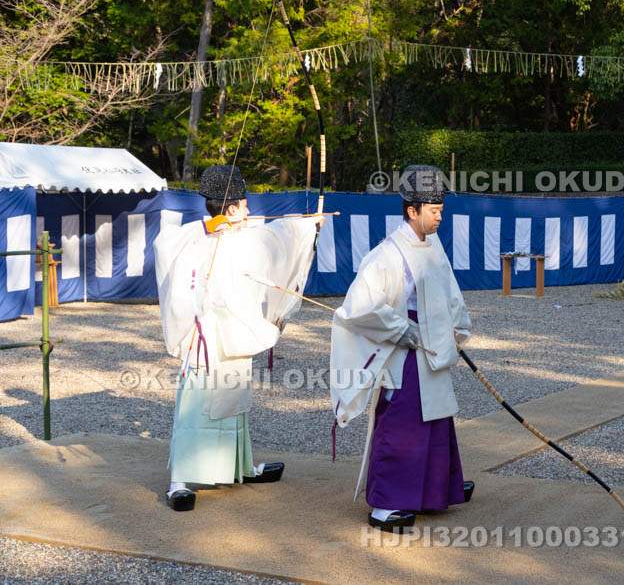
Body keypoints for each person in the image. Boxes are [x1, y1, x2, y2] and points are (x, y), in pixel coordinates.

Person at [155, 164, 322, 511]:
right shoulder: (194, 238)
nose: (248, 212)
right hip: (204, 339)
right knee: (195, 407)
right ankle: (179, 481)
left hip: (233, 331)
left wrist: (308, 227)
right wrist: (207, 227)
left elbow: (280, 236)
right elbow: (165, 247)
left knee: (233, 404)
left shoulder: (245, 239)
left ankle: (239, 467)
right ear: (230, 208)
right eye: (244, 205)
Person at [330, 164, 473, 532]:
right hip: (403, 351)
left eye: (441, 208)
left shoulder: (433, 245)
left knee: (437, 418)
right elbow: (358, 307)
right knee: (402, 423)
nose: (441, 215)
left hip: (432, 346)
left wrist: (455, 330)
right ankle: (385, 504)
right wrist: (398, 327)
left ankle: (433, 489)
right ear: (412, 210)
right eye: (434, 209)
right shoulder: (386, 255)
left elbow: (449, 294)